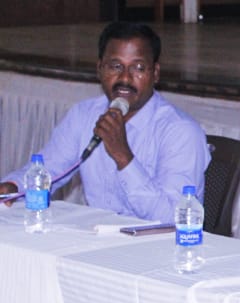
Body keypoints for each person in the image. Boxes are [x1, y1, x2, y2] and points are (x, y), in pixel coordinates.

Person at [0, 22, 209, 222]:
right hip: (94, 237)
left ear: (155, 74)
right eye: (115, 66)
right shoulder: (84, 115)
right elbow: (49, 168)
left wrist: (124, 157)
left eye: (138, 68)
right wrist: (13, 187)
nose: (125, 78)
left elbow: (174, 218)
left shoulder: (181, 131)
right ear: (99, 69)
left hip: (156, 244)